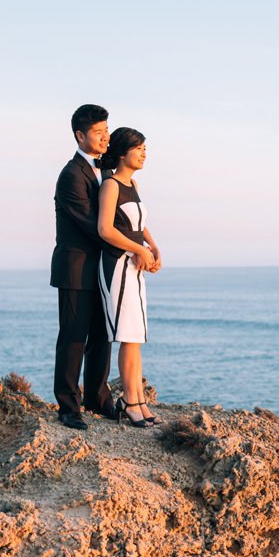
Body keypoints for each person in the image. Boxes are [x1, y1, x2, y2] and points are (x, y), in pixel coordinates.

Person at [51, 104, 117, 429]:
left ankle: (98, 398)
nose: (106, 138)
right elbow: (94, 226)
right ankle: (67, 406)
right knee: (74, 337)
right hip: (75, 269)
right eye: (98, 133)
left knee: (102, 336)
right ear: (80, 135)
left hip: (101, 269)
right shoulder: (70, 175)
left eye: (107, 131)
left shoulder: (105, 169)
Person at [97, 127, 162, 427]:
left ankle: (137, 400)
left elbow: (138, 221)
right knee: (126, 335)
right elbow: (105, 229)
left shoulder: (132, 183)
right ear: (123, 153)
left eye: (145, 148)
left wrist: (152, 246)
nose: (144, 153)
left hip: (134, 265)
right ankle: (129, 401)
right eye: (139, 148)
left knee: (136, 336)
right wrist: (139, 249)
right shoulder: (110, 185)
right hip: (117, 266)